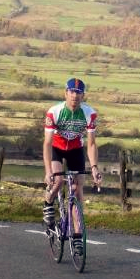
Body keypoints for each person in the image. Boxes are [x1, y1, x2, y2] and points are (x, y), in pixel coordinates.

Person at [42, 78, 103, 252]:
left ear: (83, 95)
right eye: (72, 92)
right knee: (58, 181)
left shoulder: (89, 114)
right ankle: (48, 202)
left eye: (78, 93)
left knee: (77, 190)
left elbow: (91, 144)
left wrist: (94, 168)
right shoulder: (54, 112)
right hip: (57, 148)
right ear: (66, 93)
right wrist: (48, 171)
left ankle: (77, 236)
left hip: (76, 149)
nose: (75, 96)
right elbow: (47, 143)